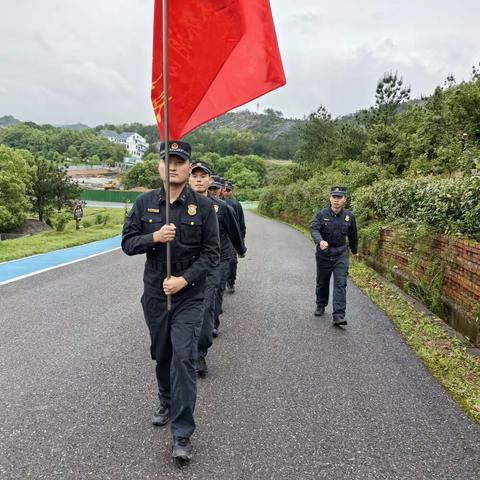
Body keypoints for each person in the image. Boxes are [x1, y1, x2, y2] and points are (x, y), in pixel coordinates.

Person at [121, 141, 220, 461]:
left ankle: (182, 433)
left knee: (184, 358)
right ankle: (165, 400)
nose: (174, 166)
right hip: (155, 290)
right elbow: (127, 243)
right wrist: (154, 238)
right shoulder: (144, 202)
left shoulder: (203, 208)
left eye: (180, 161)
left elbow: (212, 255)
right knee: (162, 353)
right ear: (159, 167)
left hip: (189, 293)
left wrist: (185, 279)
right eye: (168, 161)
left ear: (190, 168)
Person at [189, 162, 246, 375]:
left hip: (213, 264)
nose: (198, 179)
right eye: (194, 175)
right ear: (188, 177)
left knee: (205, 309)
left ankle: (199, 355)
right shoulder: (176, 205)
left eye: (203, 176)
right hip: (185, 266)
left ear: (210, 180)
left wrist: (240, 250)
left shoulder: (222, 208)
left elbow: (234, 232)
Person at [310, 186, 358, 326]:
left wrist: (354, 250)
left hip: (341, 254)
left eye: (340, 198)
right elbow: (314, 229)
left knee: (340, 283)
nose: (336, 201)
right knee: (322, 282)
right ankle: (321, 304)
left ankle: (339, 315)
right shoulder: (321, 214)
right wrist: (320, 241)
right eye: (334, 197)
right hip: (324, 254)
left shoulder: (349, 216)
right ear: (330, 199)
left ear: (345, 200)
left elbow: (353, 235)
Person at [223, 181, 246, 293]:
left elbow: (241, 224)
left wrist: (240, 243)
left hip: (231, 238)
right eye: (225, 189)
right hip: (218, 238)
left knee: (232, 261)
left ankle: (230, 282)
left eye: (229, 190)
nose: (226, 192)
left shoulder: (236, 204)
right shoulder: (212, 202)